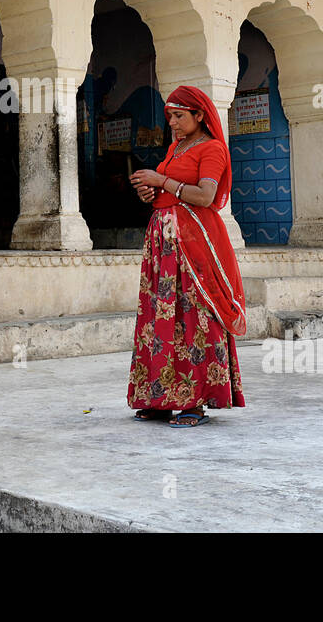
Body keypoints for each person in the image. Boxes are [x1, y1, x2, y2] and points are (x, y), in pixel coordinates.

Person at [127, 86, 246, 426]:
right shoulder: (177, 148)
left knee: (196, 316)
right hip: (164, 244)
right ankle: (160, 398)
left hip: (194, 243)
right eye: (170, 117)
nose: (173, 124)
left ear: (199, 115)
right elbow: (168, 191)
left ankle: (196, 402)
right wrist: (150, 192)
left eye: (179, 116)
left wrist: (161, 180)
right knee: (160, 318)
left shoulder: (213, 149)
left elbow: (206, 196)